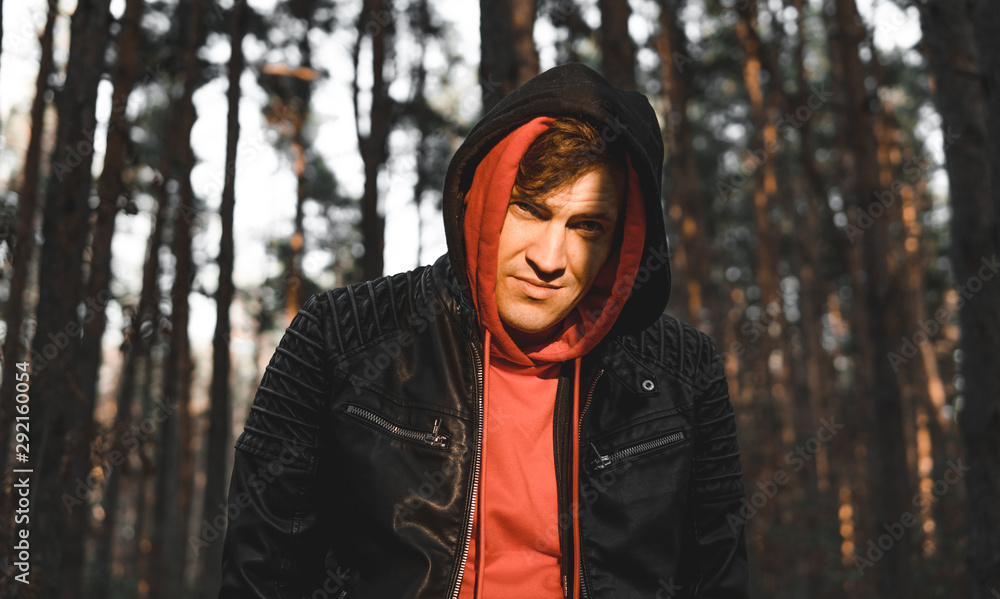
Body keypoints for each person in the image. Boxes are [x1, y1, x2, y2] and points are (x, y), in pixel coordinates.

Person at [219, 62, 748, 598]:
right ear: (483, 197)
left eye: (587, 226)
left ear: (622, 242)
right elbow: (261, 574)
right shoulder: (339, 335)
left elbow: (718, 580)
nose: (550, 259)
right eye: (530, 210)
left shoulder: (684, 372)